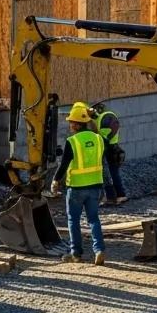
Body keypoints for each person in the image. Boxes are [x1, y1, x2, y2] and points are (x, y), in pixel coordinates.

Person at [50, 102, 106, 265]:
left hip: (76, 188)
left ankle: (76, 254)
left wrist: (55, 180)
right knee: (94, 219)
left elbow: (64, 164)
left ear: (75, 124)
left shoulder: (72, 141)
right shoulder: (98, 139)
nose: (69, 125)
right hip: (96, 186)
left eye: (70, 122)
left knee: (73, 220)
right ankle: (99, 250)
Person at [90, 101, 128, 205]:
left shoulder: (105, 117)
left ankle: (116, 195)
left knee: (109, 172)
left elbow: (105, 137)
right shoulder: (107, 116)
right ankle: (119, 195)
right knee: (113, 172)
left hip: (108, 147)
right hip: (113, 147)